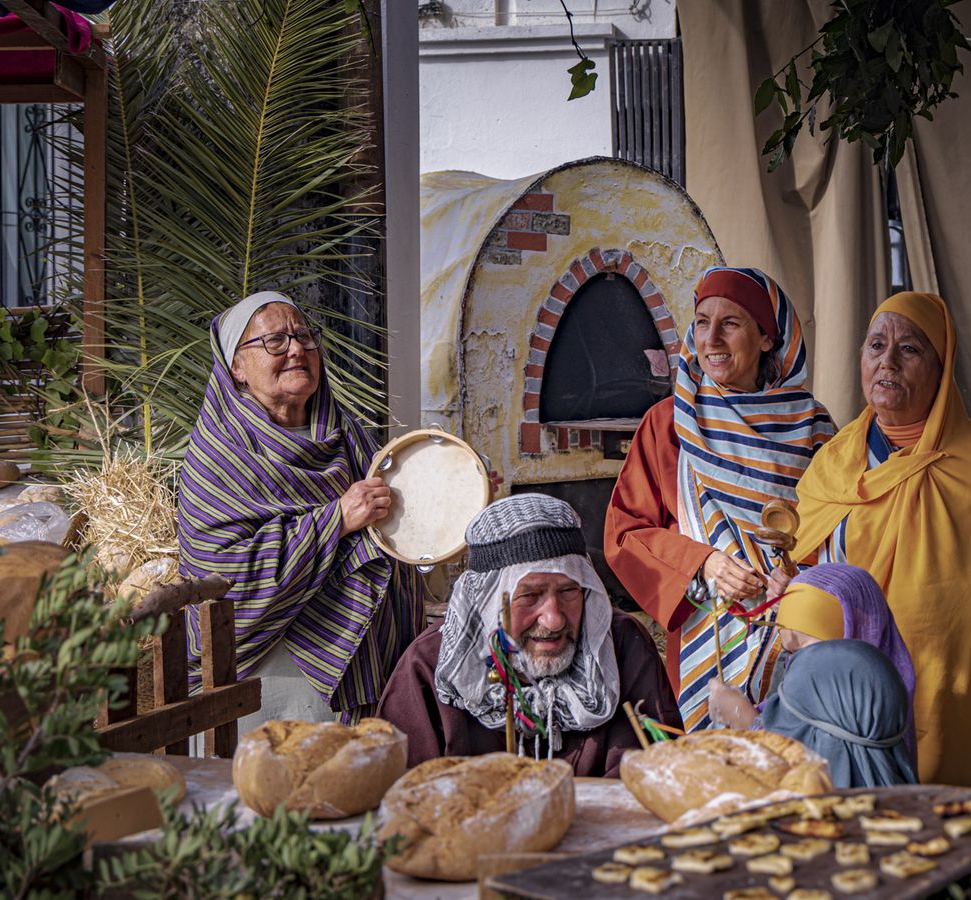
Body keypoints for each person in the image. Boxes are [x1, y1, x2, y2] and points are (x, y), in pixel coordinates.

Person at [790, 292, 971, 786]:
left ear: (941, 369)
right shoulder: (834, 461)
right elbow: (810, 562)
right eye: (876, 345)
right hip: (856, 694)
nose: (887, 361)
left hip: (964, 685)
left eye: (910, 349)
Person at [178, 291, 426, 726]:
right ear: (236, 366)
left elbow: (392, 519)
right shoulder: (219, 456)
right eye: (274, 341)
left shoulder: (347, 436)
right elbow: (224, 579)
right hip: (272, 686)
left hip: (369, 670)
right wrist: (337, 520)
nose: (296, 349)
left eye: (305, 336)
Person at [605, 267, 835, 731]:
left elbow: (833, 528)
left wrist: (799, 576)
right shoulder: (670, 423)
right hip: (702, 631)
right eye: (702, 321)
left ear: (767, 337)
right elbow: (625, 532)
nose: (711, 338)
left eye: (730, 323)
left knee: (787, 756)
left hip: (792, 628)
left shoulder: (811, 425)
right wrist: (704, 564)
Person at [378, 494, 680, 776]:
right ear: (487, 602)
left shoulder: (622, 645)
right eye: (530, 595)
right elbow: (399, 802)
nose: (553, 619)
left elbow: (655, 776)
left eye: (568, 591)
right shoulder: (427, 667)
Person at [706, 564, 915, 766]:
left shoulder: (873, 710)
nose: (798, 668)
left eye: (811, 655)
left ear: (856, 634)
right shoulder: (790, 703)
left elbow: (825, 773)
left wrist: (746, 720)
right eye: (791, 654)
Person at [755, 640, 918, 789]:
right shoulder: (925, 808)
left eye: (785, 716)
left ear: (825, 735)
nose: (771, 717)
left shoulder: (793, 815)